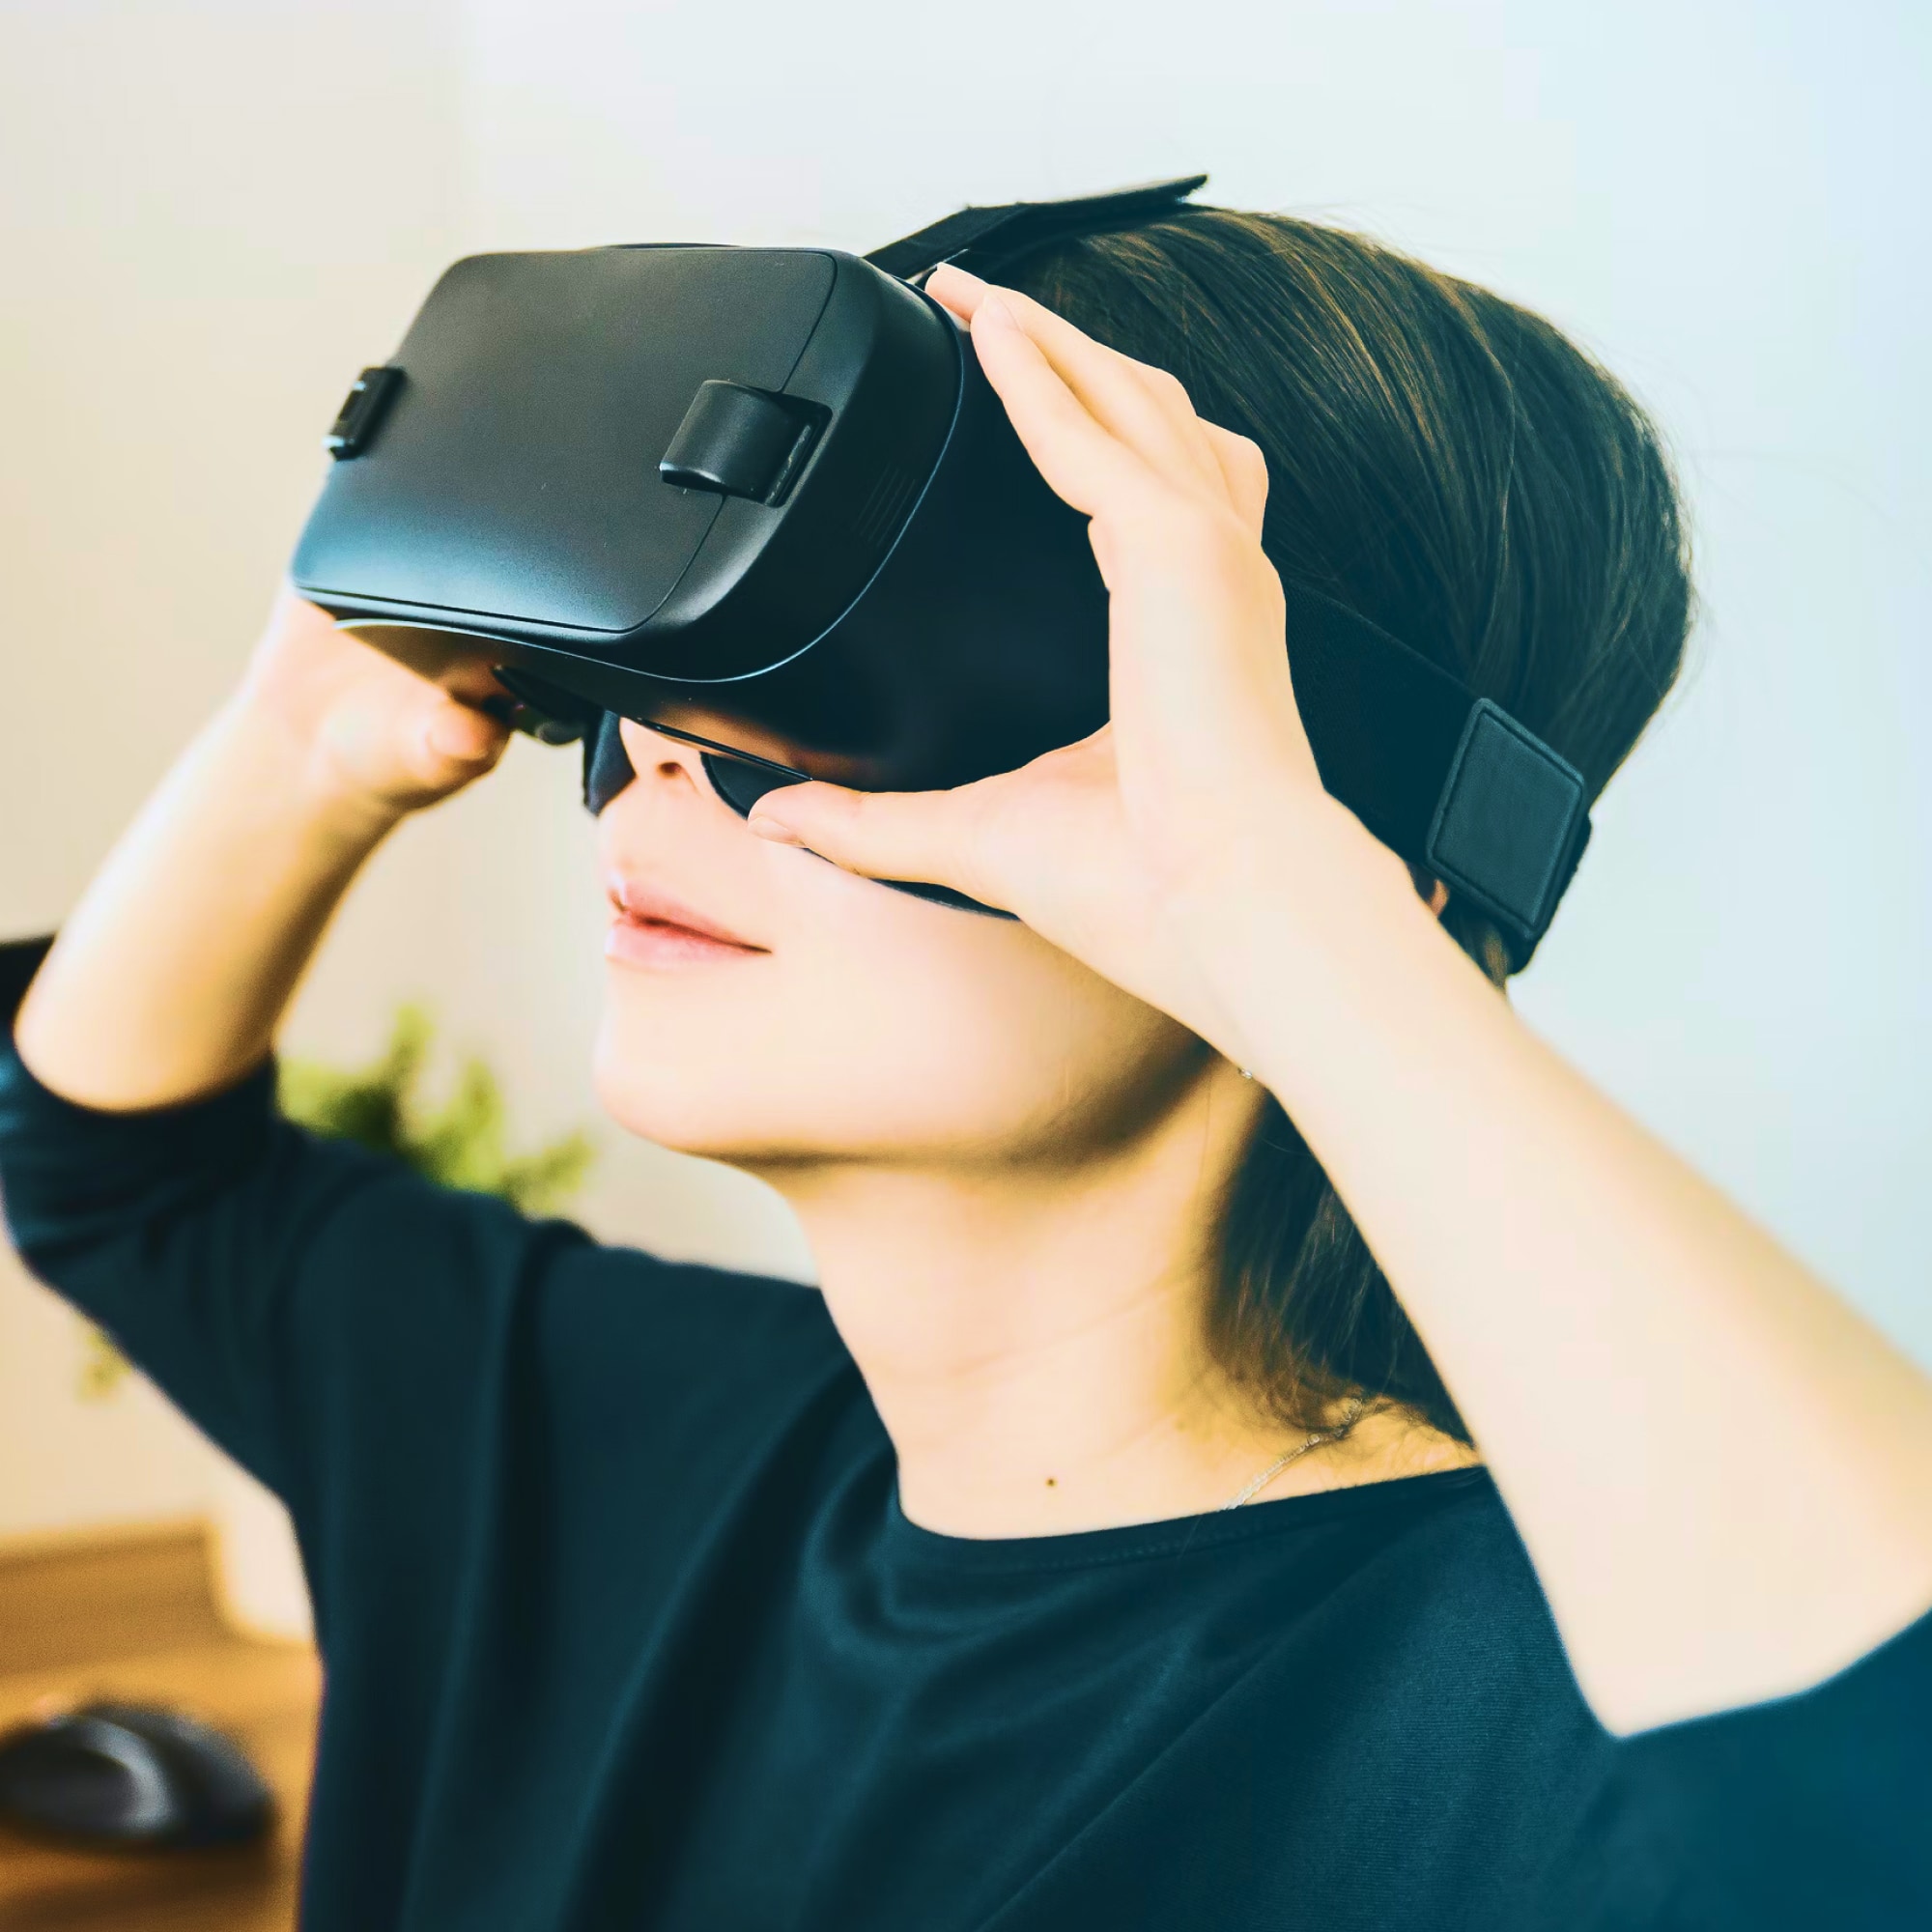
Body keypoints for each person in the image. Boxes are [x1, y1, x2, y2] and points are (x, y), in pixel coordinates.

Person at [2, 208, 1928, 1931]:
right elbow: (116, 1170)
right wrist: (305, 733)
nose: (663, 754)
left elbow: (1877, 1776)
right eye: (669, 669)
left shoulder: (1536, 1719)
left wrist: (1271, 900)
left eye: (835, 676)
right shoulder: (596, 1439)